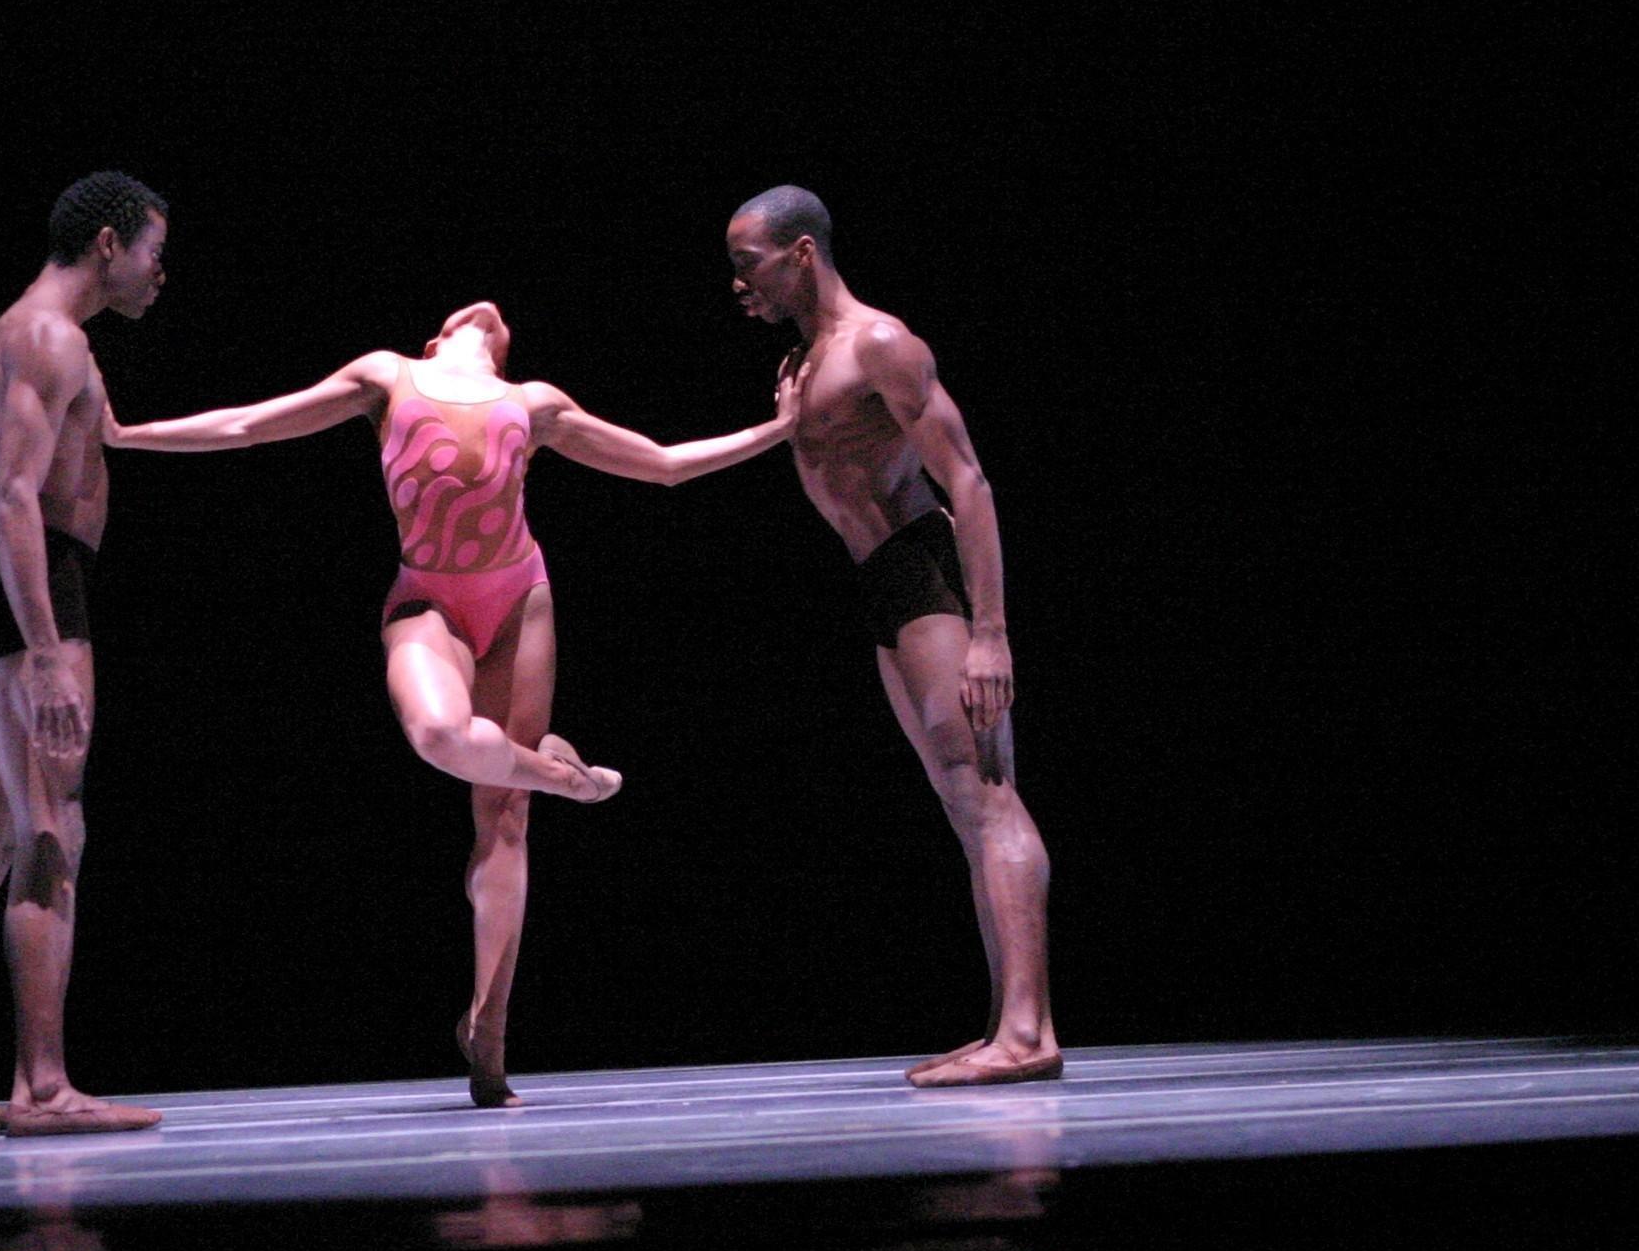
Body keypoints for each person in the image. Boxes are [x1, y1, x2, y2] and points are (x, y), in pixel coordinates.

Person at [107, 302, 797, 1105]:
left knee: (503, 817)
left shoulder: (534, 402)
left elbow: (664, 464)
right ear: (435, 336)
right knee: (438, 730)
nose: (487, 311)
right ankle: (557, 772)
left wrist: (775, 430)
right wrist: (127, 435)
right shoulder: (386, 374)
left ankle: (490, 1026)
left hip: (518, 600)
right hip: (427, 600)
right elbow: (248, 427)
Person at [727, 185, 1060, 1086]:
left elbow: (969, 480)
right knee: (961, 804)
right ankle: (1007, 1026)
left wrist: (989, 634)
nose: (737, 284)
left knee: (986, 792)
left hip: (925, 573)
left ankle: (1029, 1031)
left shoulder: (876, 342)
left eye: (747, 262)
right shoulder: (804, 365)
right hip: (881, 583)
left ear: (801, 253)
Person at [0, 171, 171, 1137]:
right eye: (152, 252)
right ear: (107, 243)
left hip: (4, 586)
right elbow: (14, 494)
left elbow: (2, 487)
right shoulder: (47, 336)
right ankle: (45, 1085)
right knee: (50, 830)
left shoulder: (30, 336)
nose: (158, 273)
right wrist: (49, 649)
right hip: (37, 588)